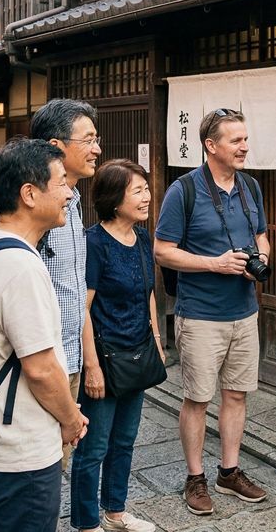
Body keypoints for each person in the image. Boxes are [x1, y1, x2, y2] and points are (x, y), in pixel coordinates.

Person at [0, 137, 90, 531]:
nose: (69, 193)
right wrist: (70, 419)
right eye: (62, 183)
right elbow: (41, 368)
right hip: (19, 454)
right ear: (30, 194)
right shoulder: (20, 266)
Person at [155, 108, 270, 516]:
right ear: (211, 145)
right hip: (201, 312)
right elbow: (162, 251)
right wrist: (214, 264)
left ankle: (229, 471)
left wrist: (259, 258)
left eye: (245, 138)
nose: (245, 146)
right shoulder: (183, 191)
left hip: (244, 310)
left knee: (237, 394)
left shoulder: (250, 187)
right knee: (198, 398)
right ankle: (195, 477)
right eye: (236, 140)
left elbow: (261, 237)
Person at [72, 159, 162, 532]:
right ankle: (86, 522)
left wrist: (156, 339)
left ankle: (115, 513)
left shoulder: (142, 238)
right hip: (106, 360)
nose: (146, 197)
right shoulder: (94, 243)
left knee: (125, 440)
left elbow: (149, 292)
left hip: (136, 354)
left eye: (145, 188)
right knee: (93, 448)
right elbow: (83, 308)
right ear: (114, 198)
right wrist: (90, 366)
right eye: (137, 190)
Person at [30, 99, 102, 472]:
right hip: (41, 366)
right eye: (88, 139)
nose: (97, 149)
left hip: (68, 360)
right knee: (36, 472)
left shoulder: (70, 204)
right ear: (57, 147)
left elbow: (77, 292)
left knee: (56, 467)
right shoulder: (33, 209)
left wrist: (88, 363)